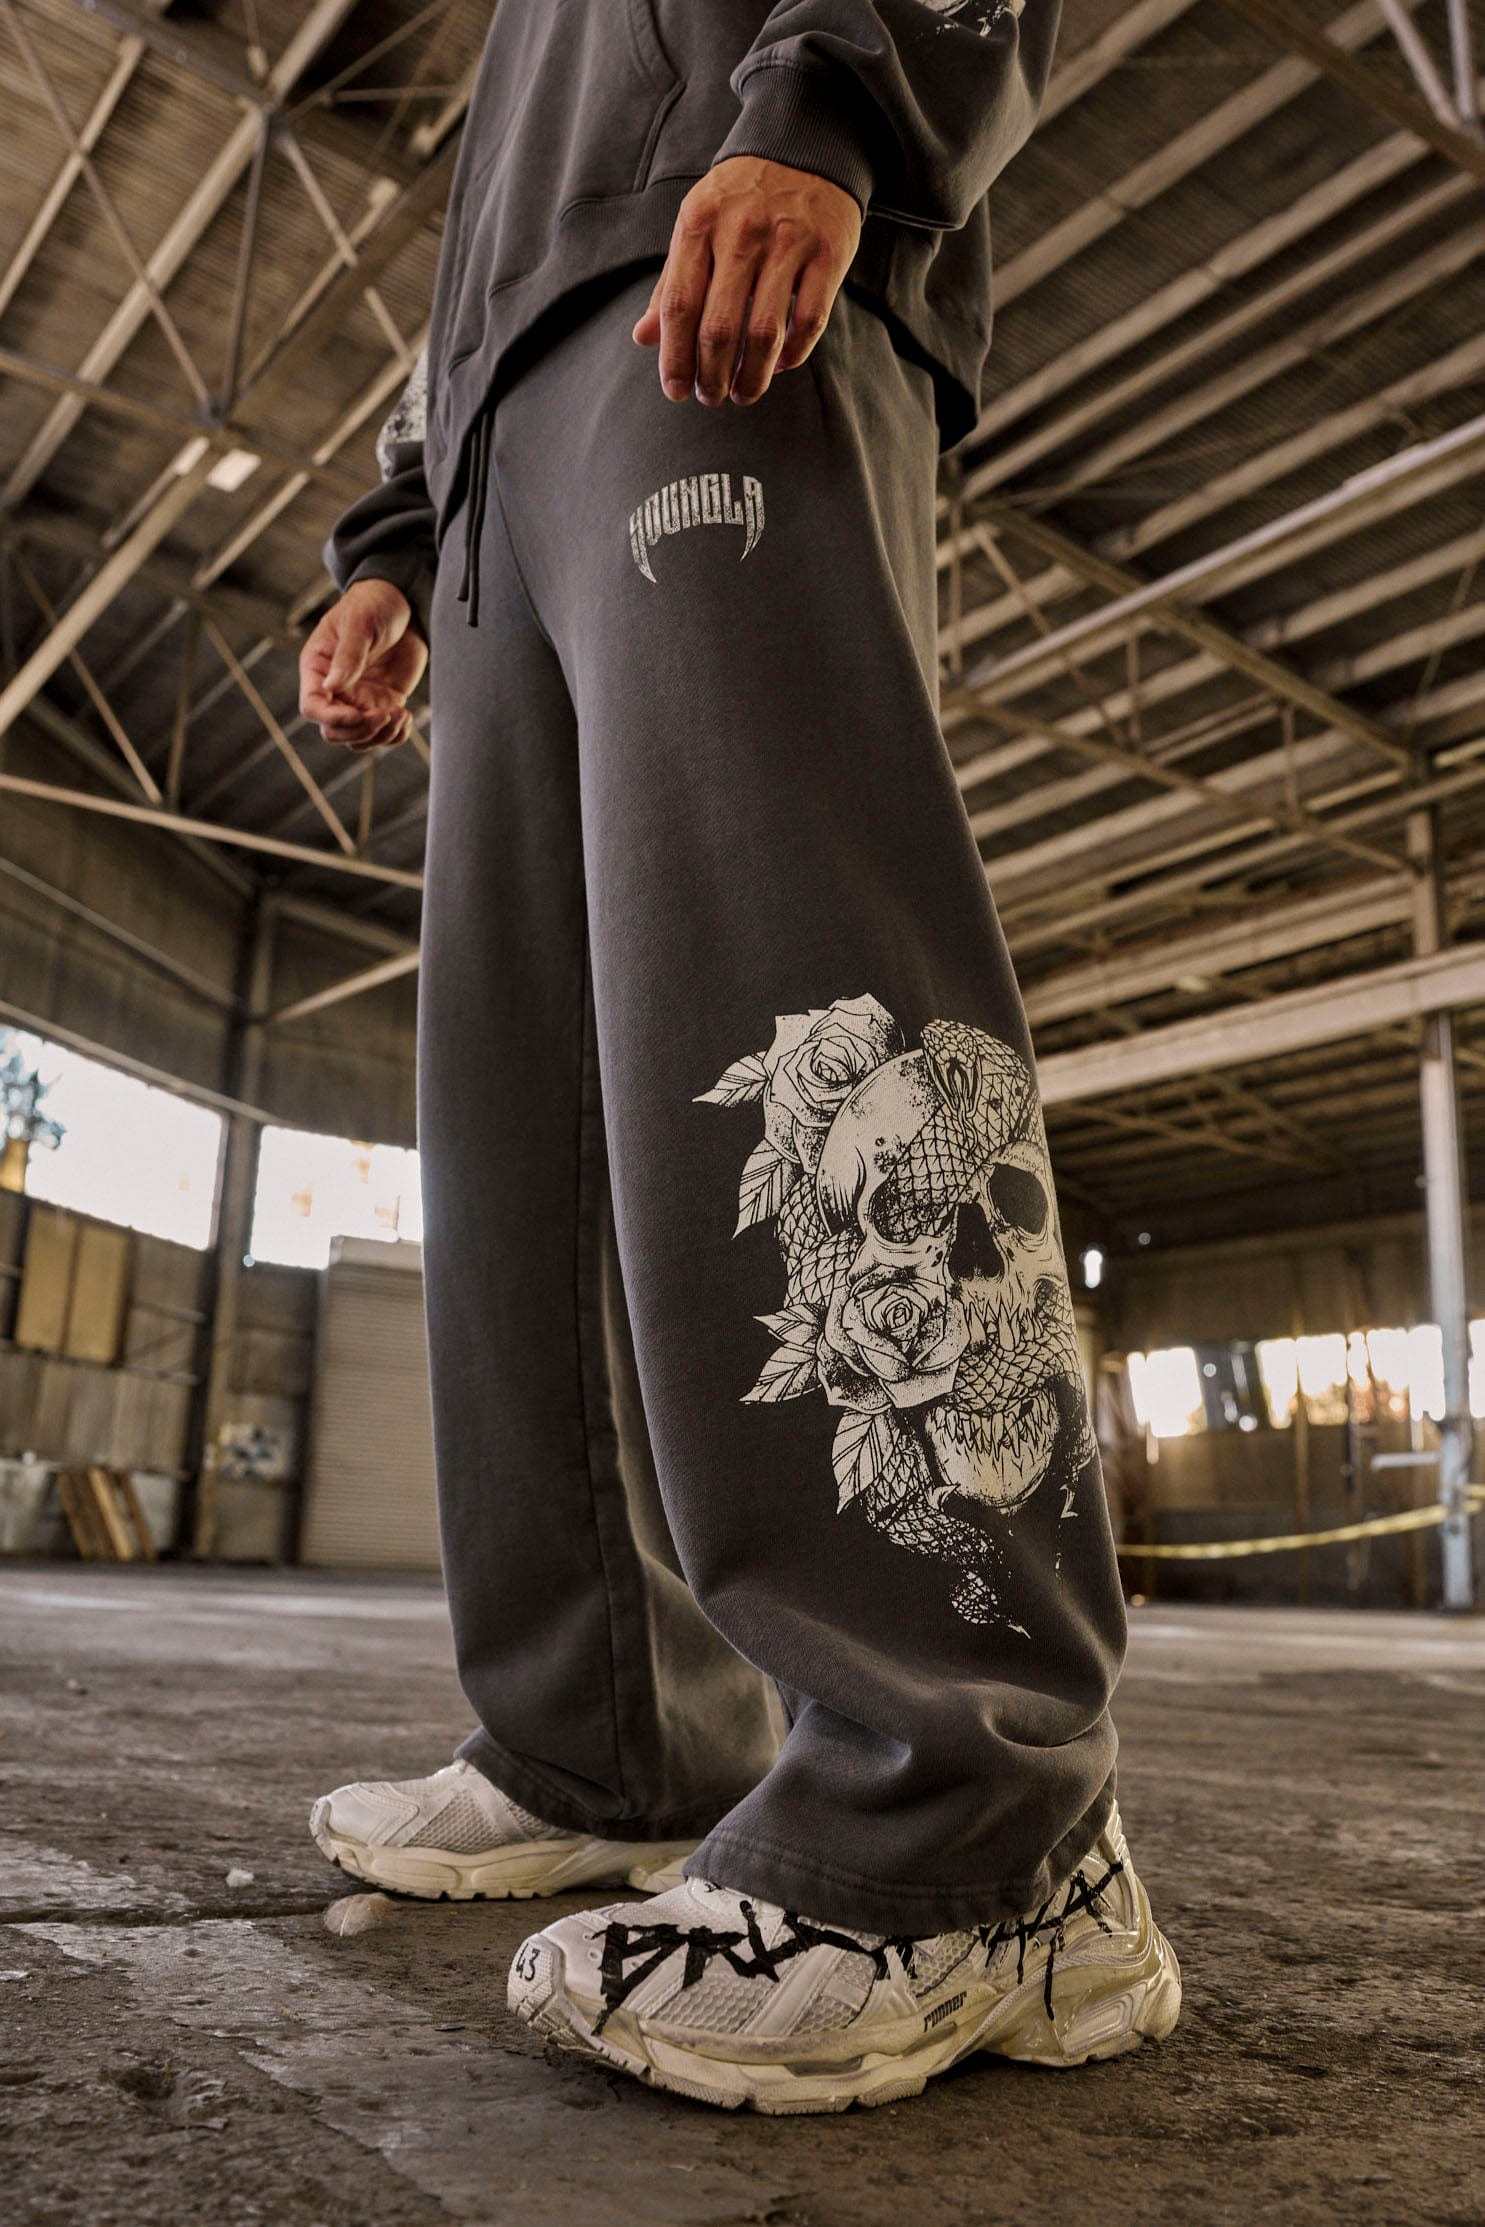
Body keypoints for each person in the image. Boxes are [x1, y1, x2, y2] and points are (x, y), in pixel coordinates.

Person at [298, 0, 1180, 2114]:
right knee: (525, 1127)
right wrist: (400, 531)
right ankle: (601, 1735)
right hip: (501, 442)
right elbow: (491, 215)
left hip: (719, 260)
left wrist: (835, 96)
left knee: (800, 998)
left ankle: (979, 1813)